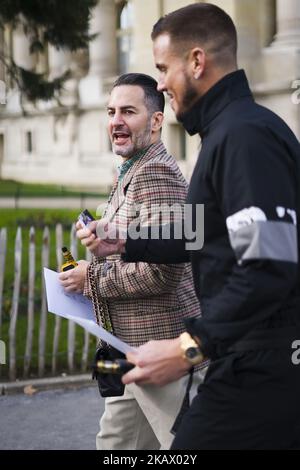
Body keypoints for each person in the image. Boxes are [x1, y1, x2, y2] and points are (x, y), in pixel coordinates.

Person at [78, 4, 300, 450]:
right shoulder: (223, 133)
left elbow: (270, 264)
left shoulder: (243, 136)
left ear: (197, 62)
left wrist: (187, 350)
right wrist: (123, 241)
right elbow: (199, 235)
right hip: (244, 356)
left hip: (262, 364)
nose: (159, 84)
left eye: (163, 68)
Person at [63, 73, 204, 450]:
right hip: (130, 351)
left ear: (157, 121)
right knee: (115, 447)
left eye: (128, 111)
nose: (116, 121)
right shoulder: (132, 168)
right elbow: (129, 247)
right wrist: (98, 240)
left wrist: (88, 279)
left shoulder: (155, 173)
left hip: (164, 353)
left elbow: (163, 273)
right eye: (111, 111)